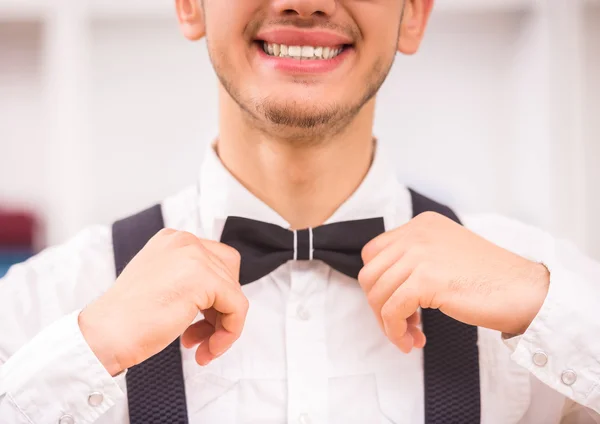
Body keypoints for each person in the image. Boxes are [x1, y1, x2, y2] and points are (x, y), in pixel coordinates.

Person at [1, 0, 599, 423]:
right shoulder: (46, 303)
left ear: (413, 12)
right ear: (189, 5)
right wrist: (90, 348)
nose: (306, 4)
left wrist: (544, 307)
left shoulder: (547, 288)